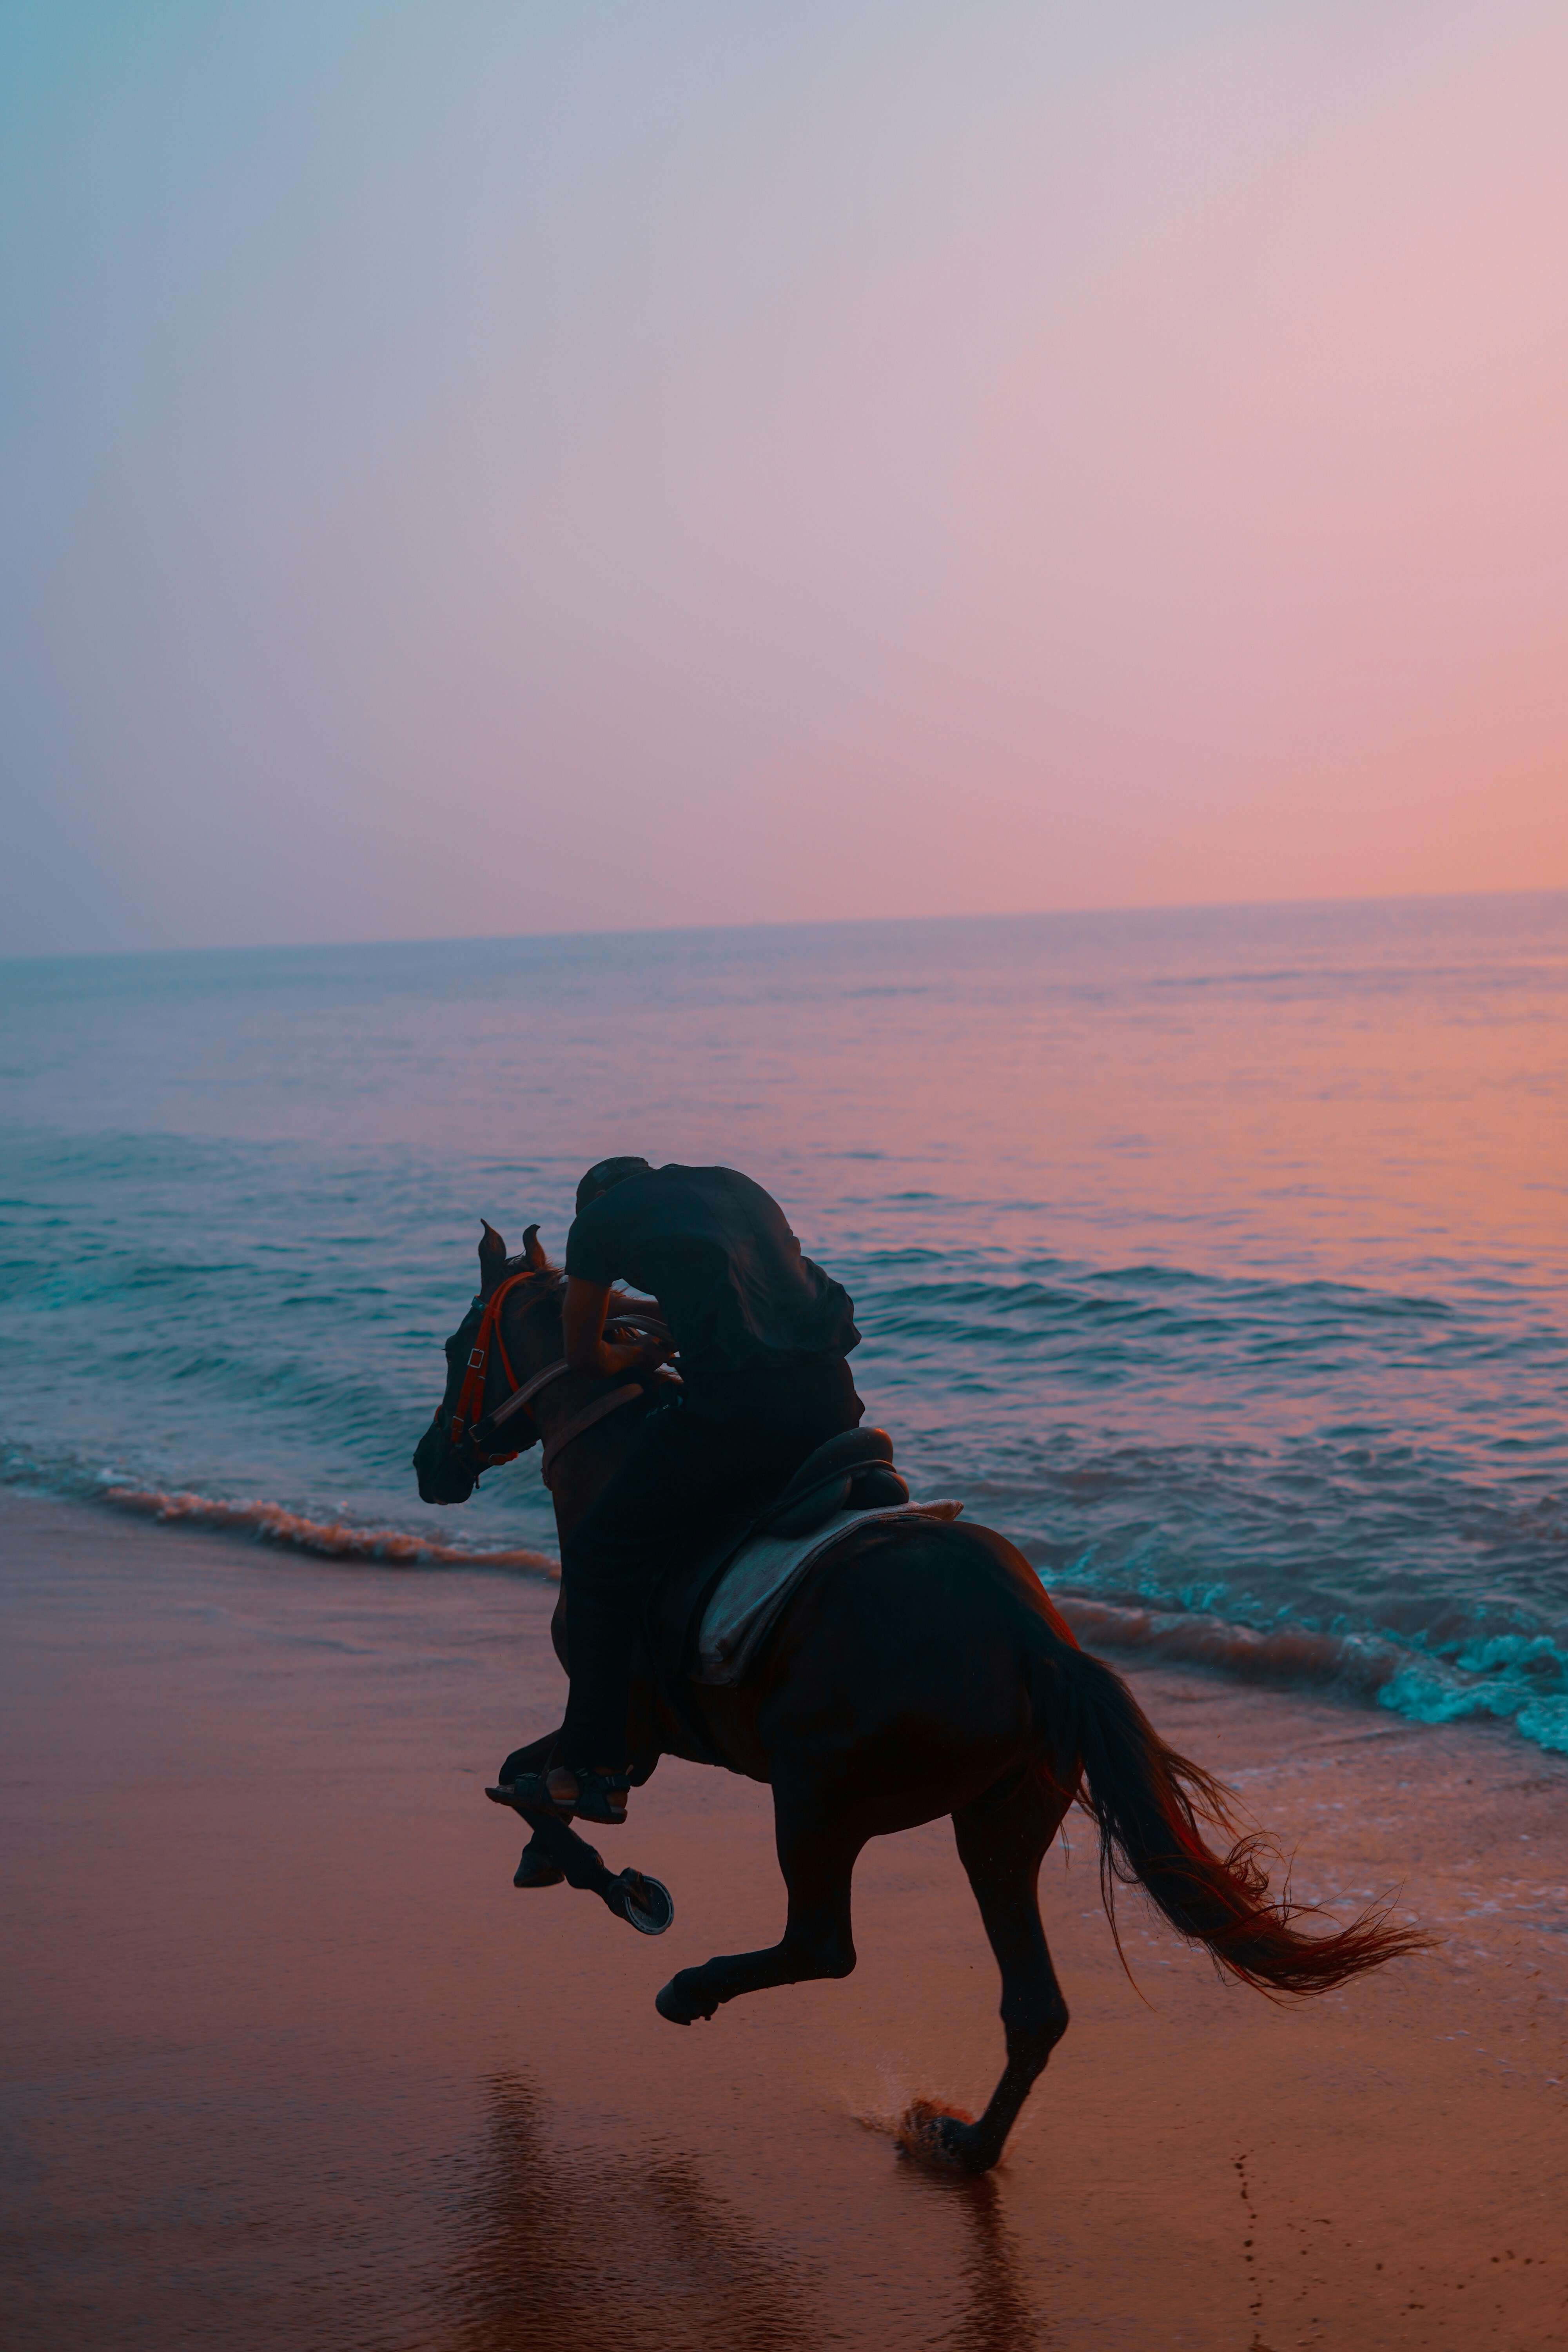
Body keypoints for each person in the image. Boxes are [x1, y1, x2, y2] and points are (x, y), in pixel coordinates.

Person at [534, 1157, 864, 1826]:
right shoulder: (734, 1186)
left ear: (592, 1207)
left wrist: (639, 1356)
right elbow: (748, 1295)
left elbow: (585, 1357)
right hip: (835, 1401)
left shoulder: (596, 1223)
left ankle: (599, 1766)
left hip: (739, 1416)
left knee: (601, 1553)